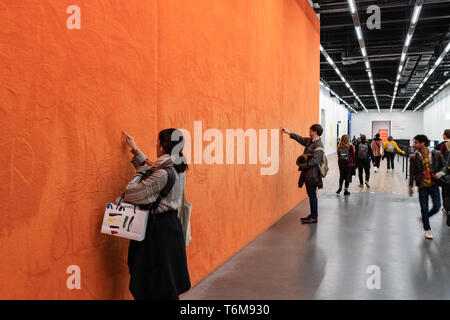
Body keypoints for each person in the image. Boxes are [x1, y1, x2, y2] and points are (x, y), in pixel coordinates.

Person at [122, 129, 191, 300]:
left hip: (157, 232)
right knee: (167, 280)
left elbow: (130, 193)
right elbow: (152, 168)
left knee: (153, 281)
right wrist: (134, 148)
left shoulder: (162, 173)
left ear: (164, 145)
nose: (155, 144)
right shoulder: (178, 166)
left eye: (158, 141)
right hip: (171, 229)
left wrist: (139, 172)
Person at [281, 124, 324, 224]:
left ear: (315, 132)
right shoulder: (310, 141)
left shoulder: (318, 144)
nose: (309, 130)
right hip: (308, 172)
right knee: (311, 194)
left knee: (312, 195)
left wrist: (305, 164)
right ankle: (313, 215)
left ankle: (314, 217)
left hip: (312, 173)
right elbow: (299, 138)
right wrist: (288, 132)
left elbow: (317, 160)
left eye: (311, 130)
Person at [409, 134, 446, 239]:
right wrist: (410, 187)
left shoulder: (436, 154)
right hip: (422, 186)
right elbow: (412, 173)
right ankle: (427, 229)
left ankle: (424, 218)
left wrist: (440, 174)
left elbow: (444, 167)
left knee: (437, 206)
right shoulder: (413, 157)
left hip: (434, 185)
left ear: (423, 143)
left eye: (416, 142)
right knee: (424, 209)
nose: (414, 144)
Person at [438, 129, 450, 217]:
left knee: (445, 189)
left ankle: (446, 207)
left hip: (446, 171)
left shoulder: (442, 145)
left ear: (445, 135)